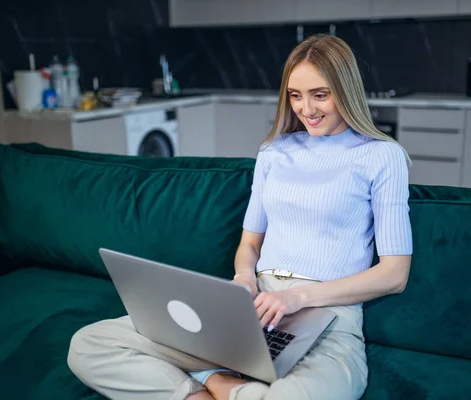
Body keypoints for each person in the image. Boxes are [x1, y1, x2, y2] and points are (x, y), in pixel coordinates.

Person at [67, 33, 413, 400]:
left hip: (329, 318)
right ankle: (206, 387)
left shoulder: (381, 156)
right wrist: (244, 277)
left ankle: (215, 381)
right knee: (89, 344)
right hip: (256, 311)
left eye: (320, 94)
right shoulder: (274, 152)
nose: (306, 109)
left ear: (345, 91)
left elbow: (395, 274)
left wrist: (299, 298)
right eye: (295, 95)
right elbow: (250, 244)